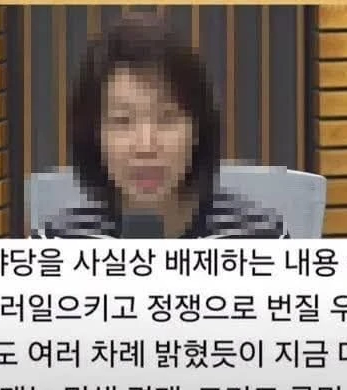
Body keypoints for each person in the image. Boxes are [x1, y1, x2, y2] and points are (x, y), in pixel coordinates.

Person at [37, 13, 289, 239]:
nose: (146, 146)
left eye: (167, 118)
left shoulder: (260, 237)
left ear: (197, 129)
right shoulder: (58, 242)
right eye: (122, 121)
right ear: (95, 135)